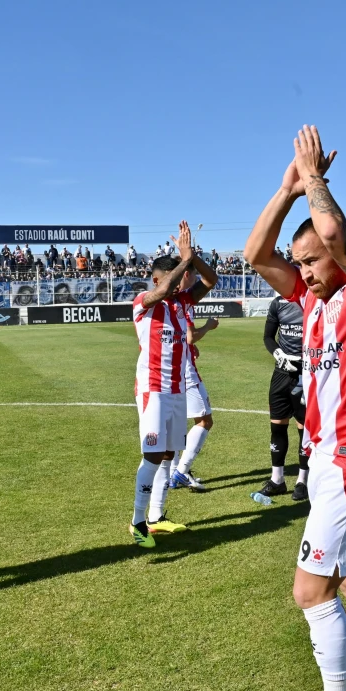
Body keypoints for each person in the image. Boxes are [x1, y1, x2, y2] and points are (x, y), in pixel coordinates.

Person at [244, 125, 346, 691]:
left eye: (314, 261)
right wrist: (287, 189)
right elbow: (255, 255)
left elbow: (334, 234)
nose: (306, 271)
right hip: (338, 464)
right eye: (303, 263)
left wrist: (314, 177)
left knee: (311, 592)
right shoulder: (314, 301)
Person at [128, 221, 216, 547]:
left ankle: (156, 517)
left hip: (177, 389)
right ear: (155, 279)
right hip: (153, 389)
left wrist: (192, 258)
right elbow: (165, 289)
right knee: (153, 455)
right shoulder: (144, 302)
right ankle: (138, 523)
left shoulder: (181, 305)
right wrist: (184, 259)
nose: (179, 284)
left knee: (168, 454)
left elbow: (212, 280)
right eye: (174, 278)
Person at [171, 264, 221, 492]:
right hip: (186, 374)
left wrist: (189, 349)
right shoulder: (185, 301)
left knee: (176, 424)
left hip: (170, 370)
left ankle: (174, 471)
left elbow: (182, 338)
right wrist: (209, 326)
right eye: (195, 275)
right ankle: (181, 471)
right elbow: (190, 337)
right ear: (187, 274)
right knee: (204, 420)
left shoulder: (169, 299)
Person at [258, 290, 312, 502]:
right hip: (281, 374)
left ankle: (302, 481)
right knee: (277, 426)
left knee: (304, 429)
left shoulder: (311, 300)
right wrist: (278, 354)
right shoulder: (277, 303)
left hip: (305, 374)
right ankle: (277, 480)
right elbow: (268, 337)